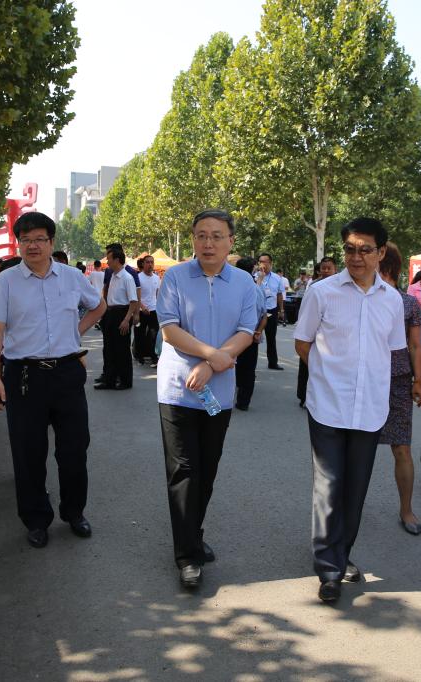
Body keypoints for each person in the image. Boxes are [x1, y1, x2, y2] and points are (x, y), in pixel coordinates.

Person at [295, 217, 407, 602]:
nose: (356, 257)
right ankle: (329, 569)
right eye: (349, 249)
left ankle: (341, 554)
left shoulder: (392, 300)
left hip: (370, 409)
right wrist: (326, 375)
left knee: (355, 490)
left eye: (365, 250)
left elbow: (390, 351)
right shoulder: (321, 292)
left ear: (381, 253)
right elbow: (303, 343)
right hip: (327, 405)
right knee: (328, 487)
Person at [0, 212, 106, 549]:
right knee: (28, 453)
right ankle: (36, 519)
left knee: (74, 449)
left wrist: (75, 332)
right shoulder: (6, 281)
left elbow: (98, 307)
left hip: (67, 373)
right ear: (18, 243)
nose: (32, 245)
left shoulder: (72, 277)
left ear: (51, 242)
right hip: (24, 376)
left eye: (39, 239)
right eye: (25, 240)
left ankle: (74, 512)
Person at [156, 209, 258, 588]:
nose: (208, 243)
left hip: (219, 393)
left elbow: (246, 330)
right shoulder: (176, 277)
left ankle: (193, 533)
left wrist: (212, 366)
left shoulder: (244, 282)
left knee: (207, 469)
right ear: (193, 240)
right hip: (177, 389)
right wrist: (211, 356)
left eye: (216, 235)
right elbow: (169, 329)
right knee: (184, 470)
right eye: (201, 235)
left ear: (231, 241)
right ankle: (187, 556)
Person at [376, 243, 421, 535]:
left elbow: (415, 345)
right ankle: (347, 507)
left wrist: (418, 381)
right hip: (371, 381)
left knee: (400, 448)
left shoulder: (407, 303)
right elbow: (416, 346)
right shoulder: (366, 300)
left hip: (395, 381)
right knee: (363, 448)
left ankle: (406, 510)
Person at [95, 244, 138, 390]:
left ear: (117, 260)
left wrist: (127, 320)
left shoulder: (127, 277)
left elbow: (133, 301)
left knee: (122, 350)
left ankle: (125, 381)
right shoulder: (112, 275)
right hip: (110, 313)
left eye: (109, 259)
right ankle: (109, 380)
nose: (107, 262)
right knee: (108, 349)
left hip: (122, 314)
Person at [296, 256, 336, 408]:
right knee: (307, 365)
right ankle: (304, 396)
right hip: (311, 333)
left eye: (329, 268)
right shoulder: (314, 286)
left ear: (335, 269)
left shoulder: (341, 288)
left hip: (328, 337)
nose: (326, 271)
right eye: (323, 268)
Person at [233, 257, 269, 411]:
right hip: (251, 335)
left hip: (233, 336)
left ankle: (229, 399)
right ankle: (243, 402)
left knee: (231, 367)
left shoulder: (231, 288)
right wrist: (258, 331)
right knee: (248, 370)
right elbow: (264, 315)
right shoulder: (257, 289)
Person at [256, 253, 285, 369]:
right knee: (254, 337)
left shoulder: (277, 278)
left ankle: (273, 363)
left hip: (271, 310)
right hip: (257, 311)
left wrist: (281, 309)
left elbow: (279, 294)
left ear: (270, 263)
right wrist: (260, 278)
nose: (262, 264)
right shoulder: (254, 276)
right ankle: (251, 367)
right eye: (260, 261)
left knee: (271, 338)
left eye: (264, 261)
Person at [134, 255, 161, 365]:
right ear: (143, 264)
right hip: (140, 310)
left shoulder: (157, 278)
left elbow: (158, 294)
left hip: (153, 310)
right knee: (139, 334)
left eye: (152, 262)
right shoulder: (138, 278)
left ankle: (153, 355)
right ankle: (139, 355)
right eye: (148, 262)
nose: (150, 264)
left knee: (153, 334)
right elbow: (134, 296)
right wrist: (142, 307)